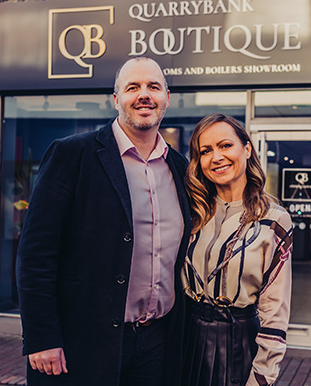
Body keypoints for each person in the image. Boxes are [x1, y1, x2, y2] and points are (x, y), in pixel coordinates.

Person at [16, 56, 191, 386]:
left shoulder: (180, 169)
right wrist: (41, 337)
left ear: (167, 97)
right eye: (132, 87)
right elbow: (36, 254)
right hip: (83, 342)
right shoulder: (72, 155)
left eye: (153, 87)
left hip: (157, 342)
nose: (144, 95)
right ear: (116, 99)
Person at [181, 113, 293, 386]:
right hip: (183, 341)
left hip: (237, 346)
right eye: (205, 151)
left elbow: (274, 309)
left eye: (225, 145)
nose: (216, 157)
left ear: (247, 148)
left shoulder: (274, 219)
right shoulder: (190, 211)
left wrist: (261, 376)